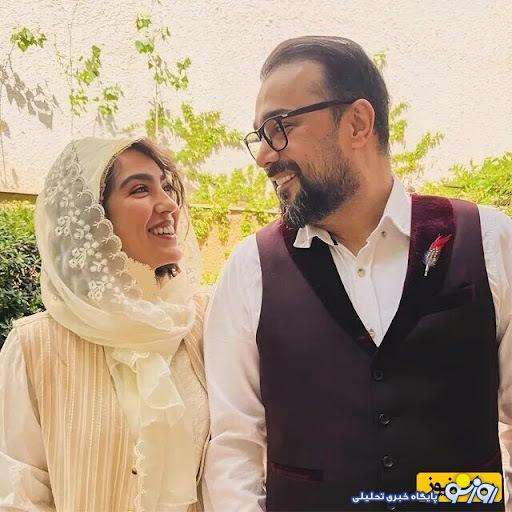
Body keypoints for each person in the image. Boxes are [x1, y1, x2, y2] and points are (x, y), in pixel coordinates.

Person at [203, 36, 512, 511]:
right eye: (259, 136)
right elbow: (234, 448)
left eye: (280, 127)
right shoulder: (250, 271)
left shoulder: (488, 241)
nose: (264, 155)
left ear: (358, 123)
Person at [0, 137, 210, 511]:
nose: (168, 204)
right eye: (140, 189)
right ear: (91, 218)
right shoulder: (34, 347)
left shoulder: (200, 324)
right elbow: (19, 497)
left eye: (167, 187)